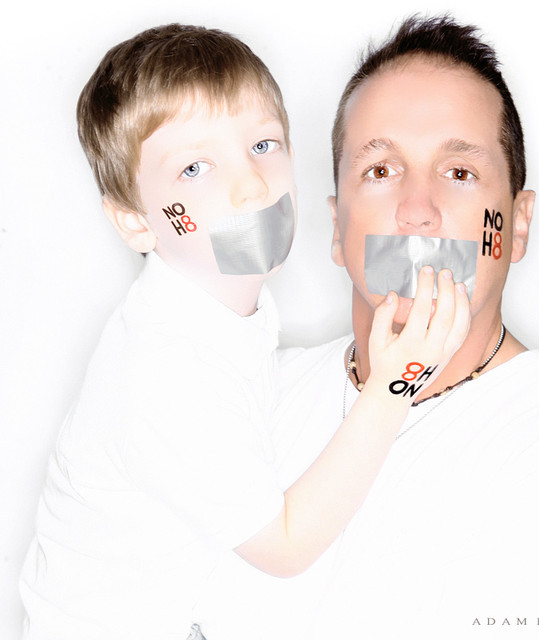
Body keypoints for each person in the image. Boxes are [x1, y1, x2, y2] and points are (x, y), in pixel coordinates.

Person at [18, 23, 471, 640]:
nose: (252, 186)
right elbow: (285, 547)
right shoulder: (166, 371)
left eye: (263, 144)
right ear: (136, 222)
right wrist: (397, 383)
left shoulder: (215, 303)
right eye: (195, 168)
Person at [195, 14, 539, 639]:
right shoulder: (247, 402)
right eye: (381, 171)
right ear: (336, 227)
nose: (417, 213)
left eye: (460, 173)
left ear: (516, 225)